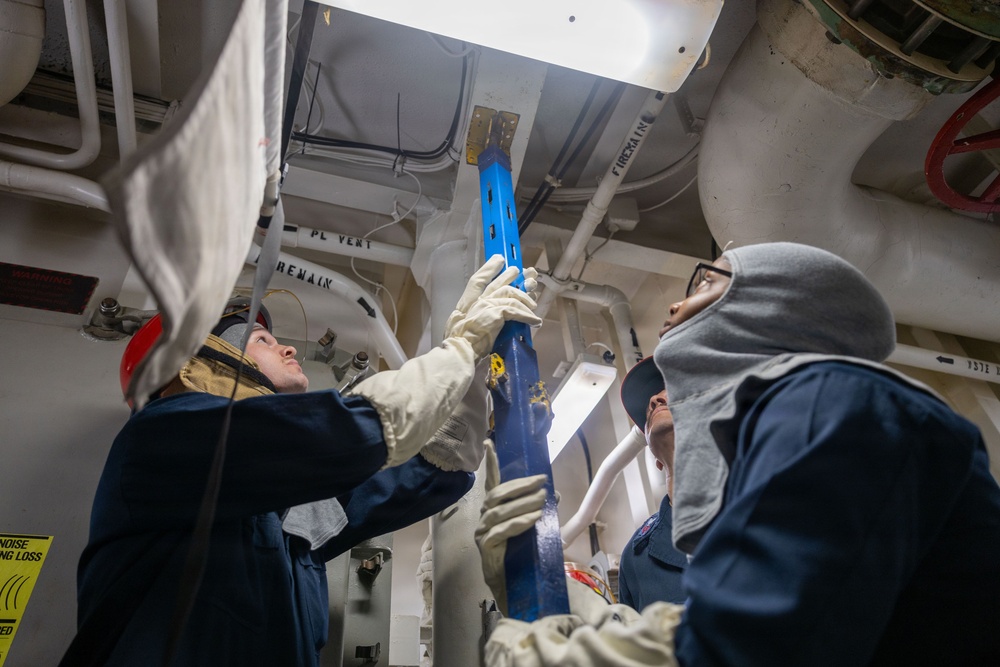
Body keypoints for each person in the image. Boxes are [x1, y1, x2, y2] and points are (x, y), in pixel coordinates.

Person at [485, 241, 1000, 666]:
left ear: (772, 305)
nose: (673, 306)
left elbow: (759, 642)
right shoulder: (799, 419)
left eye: (706, 282)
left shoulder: (830, 399)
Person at [62, 255, 541, 667]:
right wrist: (459, 347)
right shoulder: (160, 439)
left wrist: (475, 364)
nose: (288, 346)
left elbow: (435, 469)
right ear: (196, 362)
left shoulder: (280, 504)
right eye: (262, 340)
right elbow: (352, 429)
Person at [475, 355, 687, 624]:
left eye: (674, 391)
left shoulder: (754, 508)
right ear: (656, 459)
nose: (654, 400)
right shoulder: (638, 554)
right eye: (651, 399)